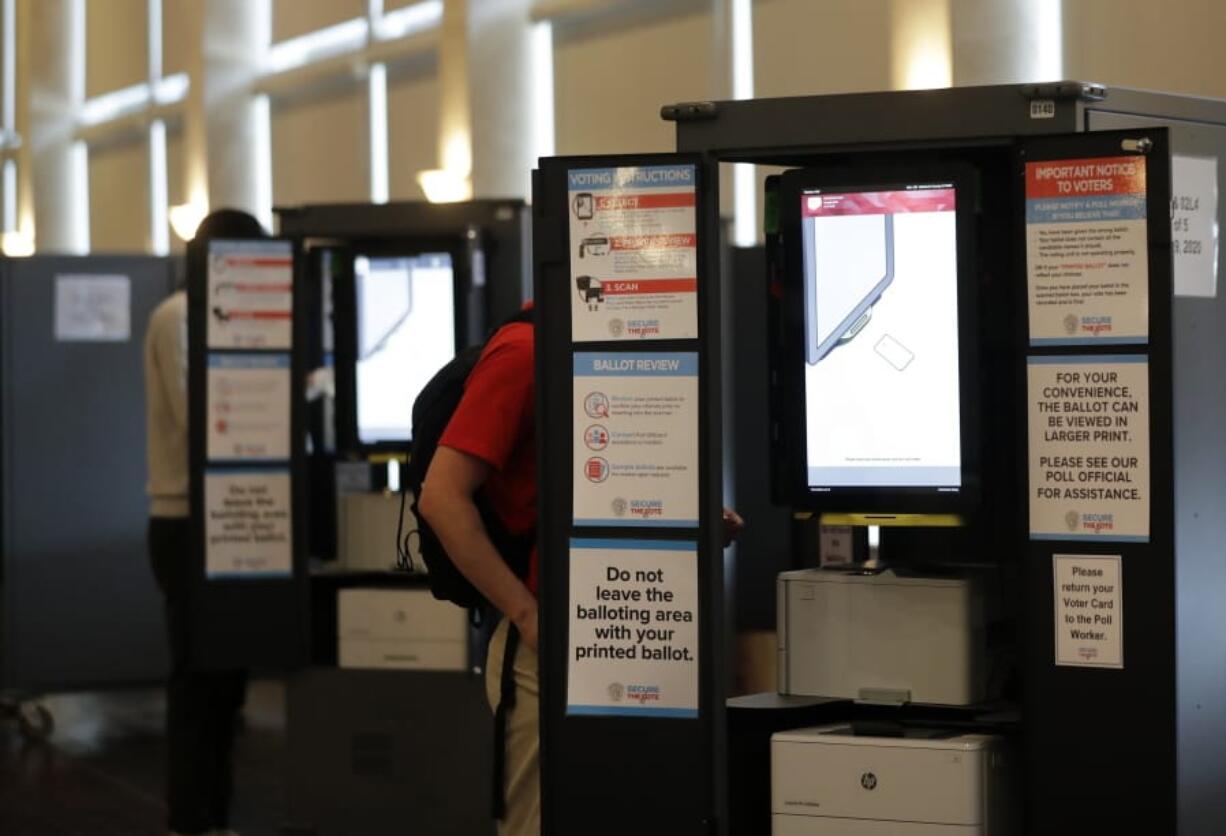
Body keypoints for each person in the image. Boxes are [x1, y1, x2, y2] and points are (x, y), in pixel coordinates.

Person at [418, 313, 744, 836]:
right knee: (538, 822)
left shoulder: (601, 353)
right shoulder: (524, 355)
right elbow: (441, 497)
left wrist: (689, 524)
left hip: (618, 631)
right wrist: (527, 616)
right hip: (542, 647)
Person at [144, 208, 266, 836]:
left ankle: (214, 815)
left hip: (231, 518)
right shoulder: (178, 318)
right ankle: (191, 818)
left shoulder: (222, 319)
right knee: (197, 681)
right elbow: (208, 422)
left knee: (225, 683)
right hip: (187, 523)